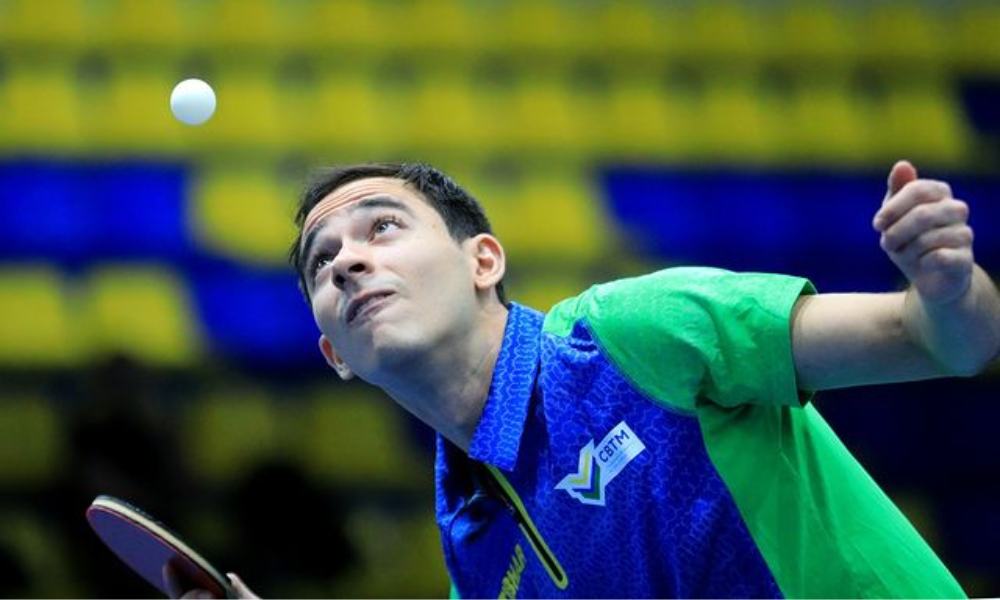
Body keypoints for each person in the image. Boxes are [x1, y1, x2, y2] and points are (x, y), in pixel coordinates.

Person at [178, 160, 1000, 599]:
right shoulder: (469, 537)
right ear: (337, 357)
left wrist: (948, 285)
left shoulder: (630, 333)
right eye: (324, 265)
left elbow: (943, 345)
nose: (350, 260)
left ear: (483, 261)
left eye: (382, 228)